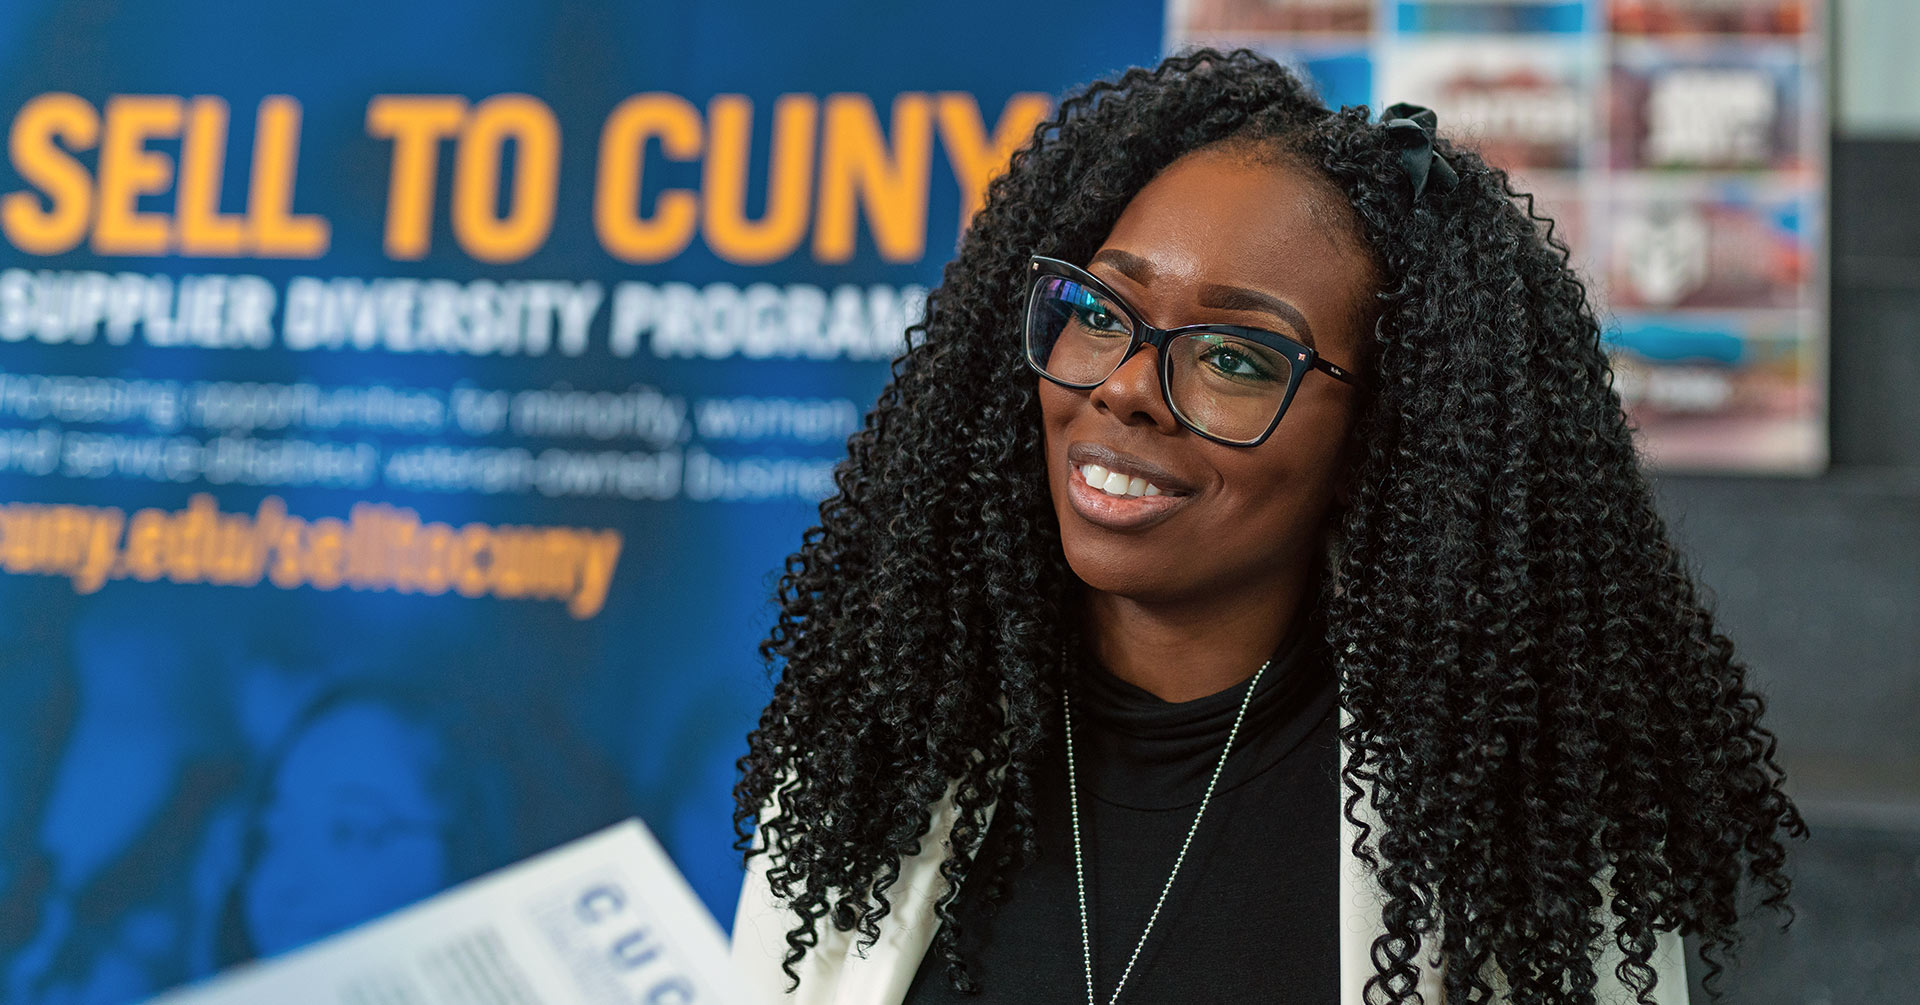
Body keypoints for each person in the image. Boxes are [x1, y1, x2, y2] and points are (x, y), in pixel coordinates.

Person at [731, 48, 1803, 1005]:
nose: (1127, 391)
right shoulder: (878, 752)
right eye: (1101, 314)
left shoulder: (1503, 837)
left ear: (1380, 441)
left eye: (1239, 357)